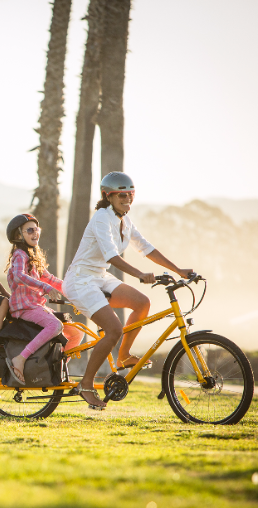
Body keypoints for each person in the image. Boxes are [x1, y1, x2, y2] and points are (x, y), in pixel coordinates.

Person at [63, 172, 192, 409]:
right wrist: (140, 275)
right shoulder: (102, 218)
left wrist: (178, 270)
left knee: (142, 303)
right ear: (107, 196)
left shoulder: (124, 220)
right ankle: (86, 384)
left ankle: (123, 355)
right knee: (113, 330)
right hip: (81, 280)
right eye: (122, 195)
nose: (127, 199)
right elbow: (111, 255)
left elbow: (146, 248)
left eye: (131, 194)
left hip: (100, 277)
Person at [4, 214, 82, 384]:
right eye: (30, 230)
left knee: (75, 334)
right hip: (24, 308)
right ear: (19, 235)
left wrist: (76, 293)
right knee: (55, 325)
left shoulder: (33, 256)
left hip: (37, 307)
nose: (35, 233)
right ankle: (21, 358)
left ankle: (55, 368)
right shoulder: (20, 255)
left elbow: (50, 279)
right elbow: (18, 275)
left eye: (36, 229)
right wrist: (45, 288)